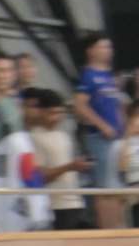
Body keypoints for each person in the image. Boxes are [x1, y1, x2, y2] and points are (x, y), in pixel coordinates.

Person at [72, 33, 126, 230]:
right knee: (104, 189)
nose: (107, 52)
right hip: (99, 137)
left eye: (109, 47)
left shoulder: (109, 75)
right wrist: (102, 125)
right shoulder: (88, 75)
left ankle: (117, 229)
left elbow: (117, 104)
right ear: (91, 51)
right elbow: (79, 105)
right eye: (103, 47)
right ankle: (107, 231)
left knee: (116, 188)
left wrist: (124, 130)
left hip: (116, 138)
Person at [20, 88, 92, 230]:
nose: (57, 117)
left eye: (60, 113)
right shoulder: (34, 138)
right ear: (41, 111)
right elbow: (40, 175)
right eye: (52, 113)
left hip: (76, 202)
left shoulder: (63, 136)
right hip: (56, 206)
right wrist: (70, 167)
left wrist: (79, 168)